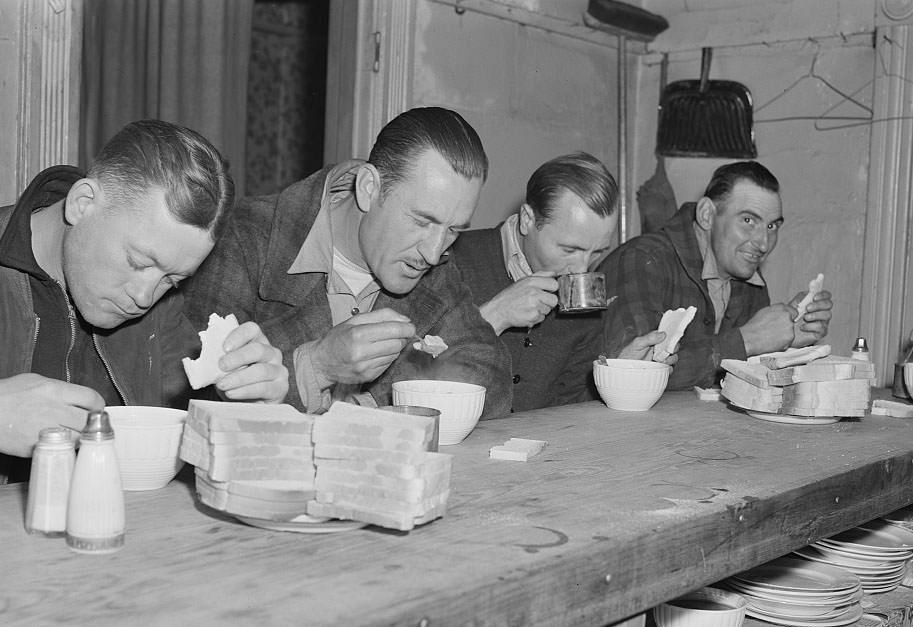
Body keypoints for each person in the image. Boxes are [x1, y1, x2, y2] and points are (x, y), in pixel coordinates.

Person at [0, 119, 289, 477]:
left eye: (172, 278)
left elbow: (193, 447)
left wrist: (248, 408)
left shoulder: (162, 309)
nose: (143, 297)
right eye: (137, 262)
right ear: (82, 202)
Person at [184, 107, 511, 418]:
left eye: (454, 229)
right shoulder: (243, 236)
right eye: (422, 221)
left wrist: (374, 410)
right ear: (369, 188)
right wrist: (317, 365)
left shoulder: (433, 260)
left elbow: (489, 369)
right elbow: (194, 396)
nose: (434, 252)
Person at [450, 152, 668, 411]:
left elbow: (572, 405)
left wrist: (618, 376)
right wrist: (493, 318)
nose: (581, 269)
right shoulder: (452, 261)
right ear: (528, 220)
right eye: (569, 249)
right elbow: (406, 376)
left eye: (597, 251)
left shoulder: (585, 292)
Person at [599, 160, 833, 390]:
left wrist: (787, 344)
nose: (763, 244)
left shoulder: (750, 282)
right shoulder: (641, 260)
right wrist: (747, 340)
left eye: (772, 227)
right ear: (707, 215)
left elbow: (746, 383)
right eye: (748, 220)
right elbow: (633, 376)